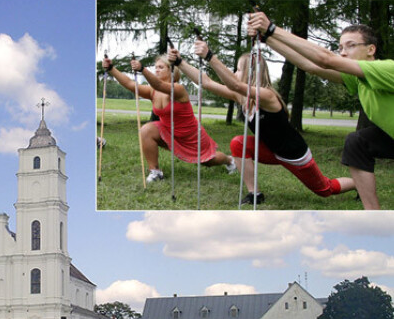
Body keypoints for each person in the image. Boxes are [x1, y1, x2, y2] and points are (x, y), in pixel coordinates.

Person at [168, 41, 355, 205]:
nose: (234, 72)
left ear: (251, 73)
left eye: (239, 69)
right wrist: (180, 62)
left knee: (325, 189)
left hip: (294, 155)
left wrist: (210, 56)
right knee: (238, 143)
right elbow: (207, 83)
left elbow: (234, 84)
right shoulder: (241, 97)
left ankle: (357, 184)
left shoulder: (266, 96)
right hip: (271, 150)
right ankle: (254, 193)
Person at [248, 12, 394, 209]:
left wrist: (272, 29)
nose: (342, 52)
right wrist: (267, 39)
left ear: (371, 49)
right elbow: (310, 65)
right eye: (340, 47)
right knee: (357, 142)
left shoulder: (386, 69)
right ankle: (373, 214)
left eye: (350, 45)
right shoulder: (358, 79)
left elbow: (326, 59)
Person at [102, 54, 236, 183]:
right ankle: (155, 171)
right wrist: (111, 69)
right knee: (146, 130)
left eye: (161, 67)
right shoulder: (152, 91)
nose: (157, 70)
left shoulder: (178, 89)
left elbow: (159, 85)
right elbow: (131, 85)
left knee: (208, 162)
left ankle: (230, 160)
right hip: (169, 132)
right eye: (156, 67)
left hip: (191, 136)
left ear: (172, 71)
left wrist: (142, 69)